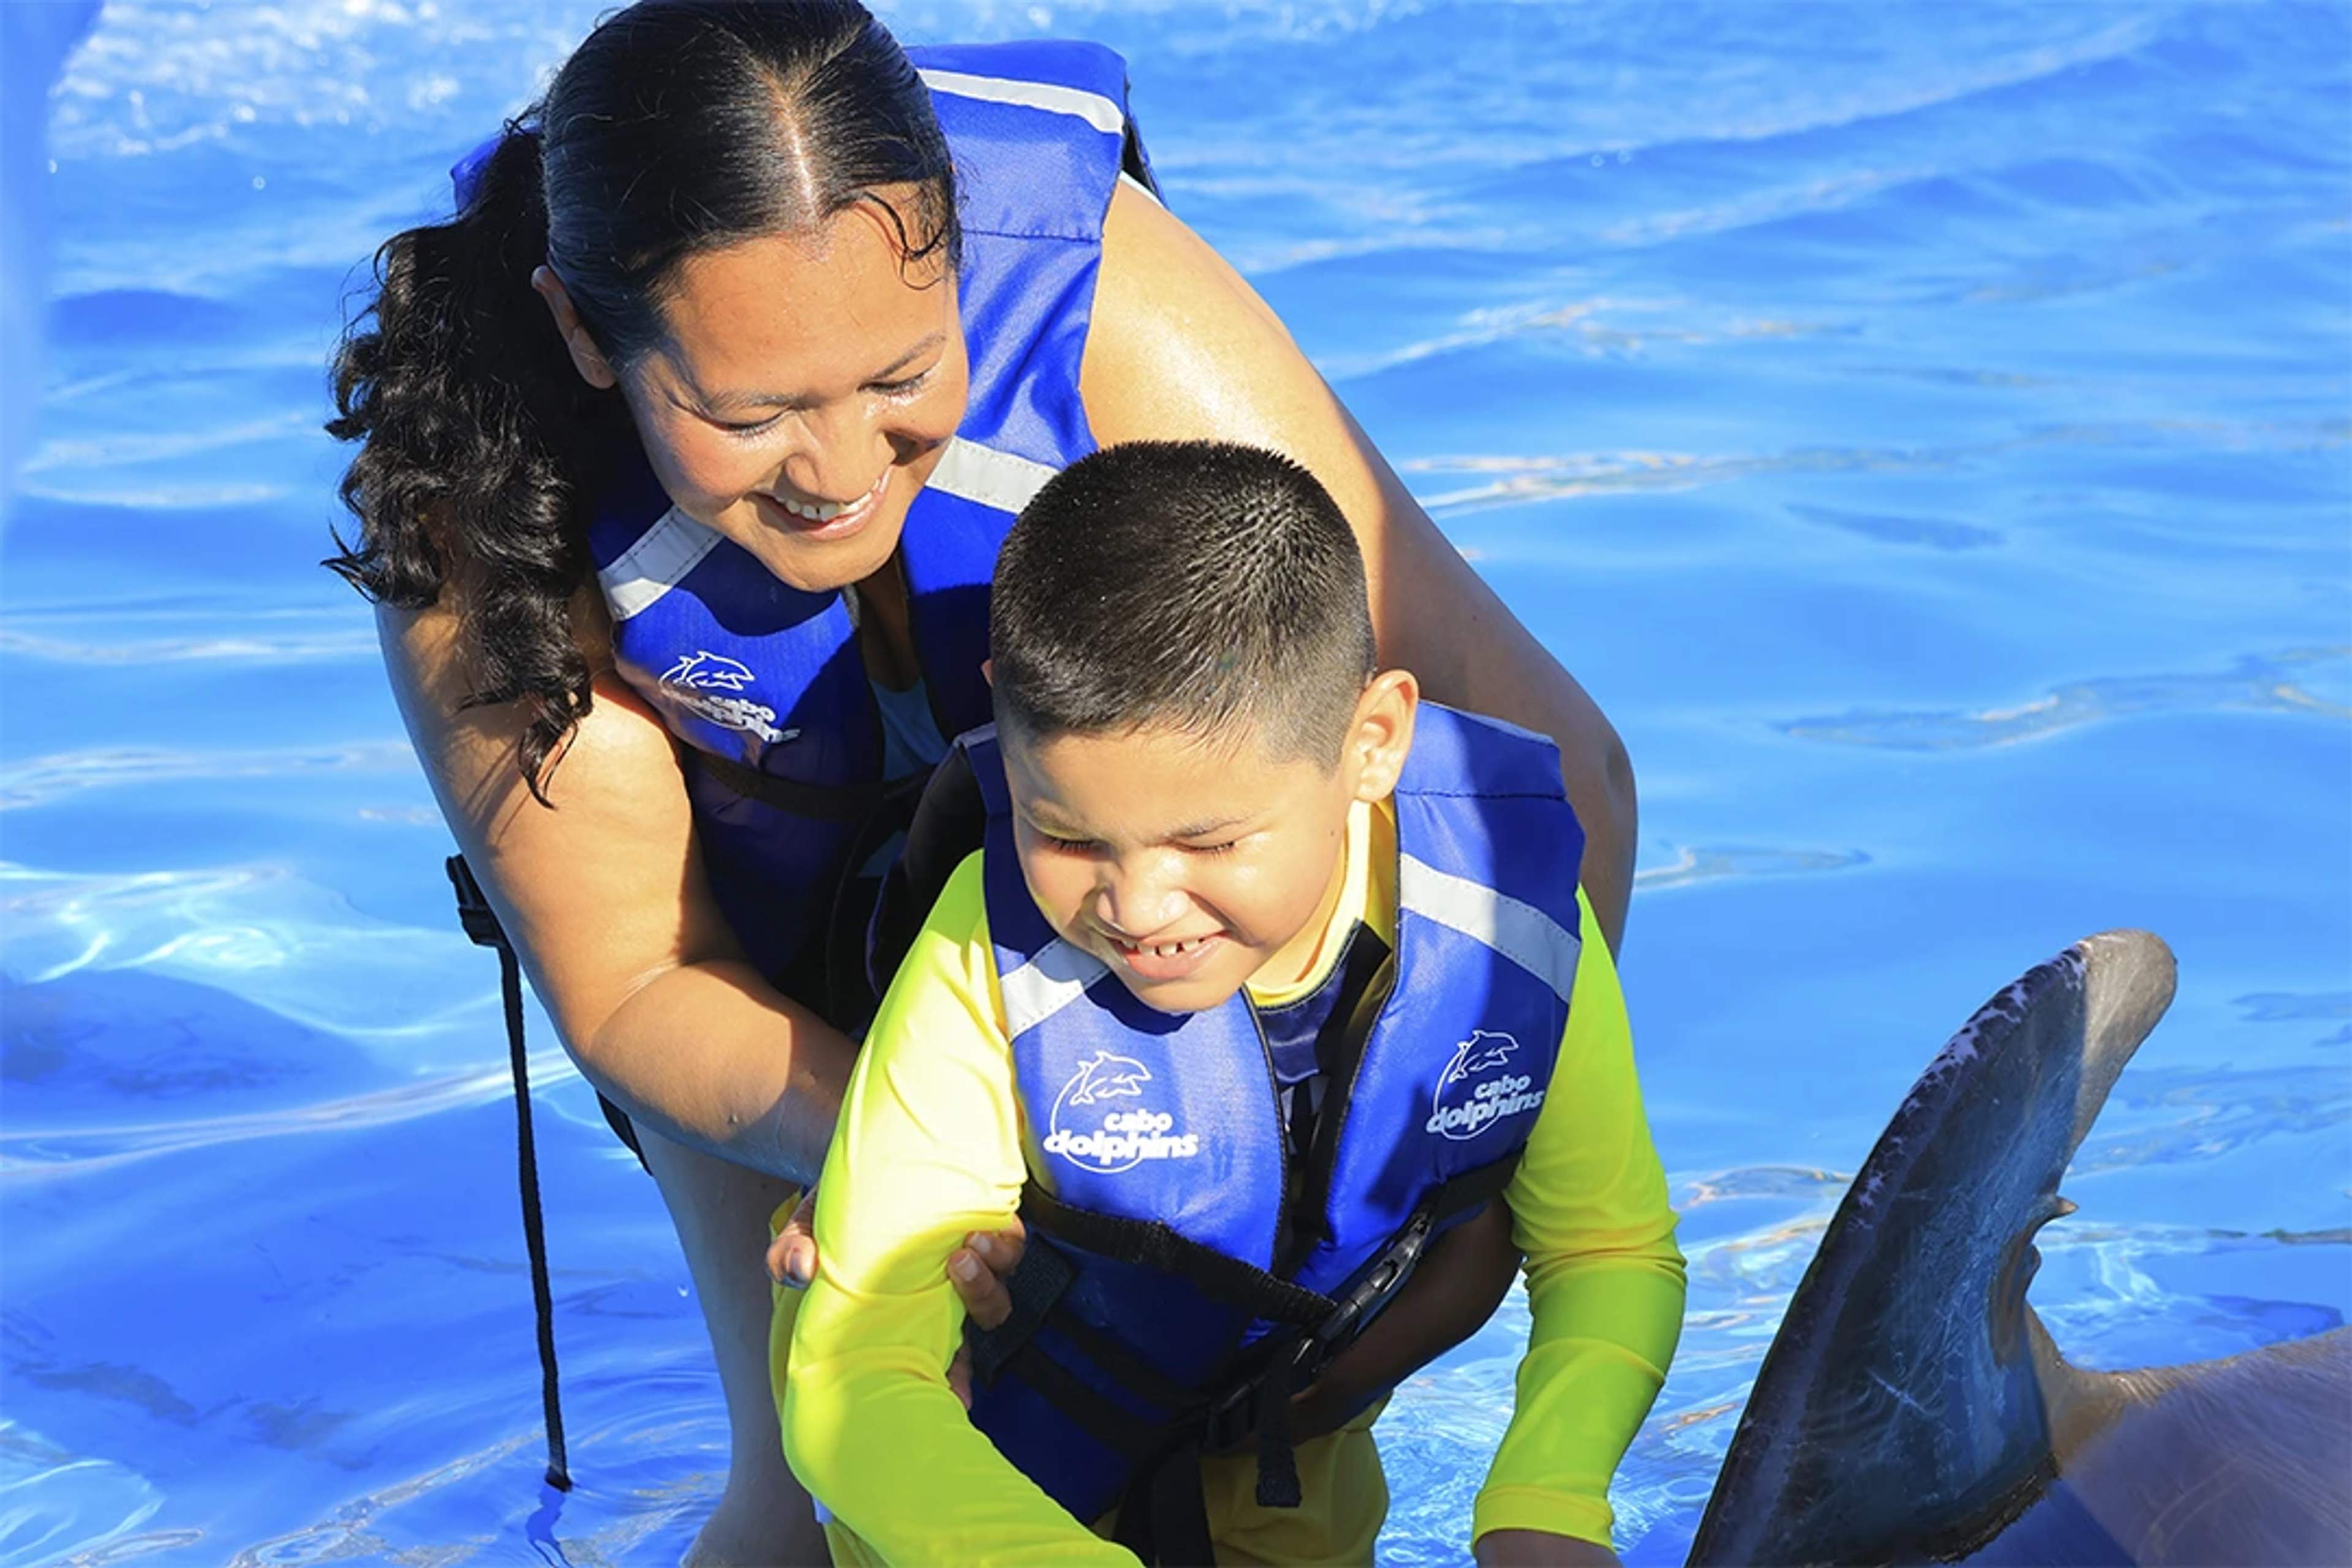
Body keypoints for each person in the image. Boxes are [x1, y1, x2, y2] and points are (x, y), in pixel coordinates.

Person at [328, 3, 1637, 1561]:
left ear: (956, 249)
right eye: (746, 415)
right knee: (805, 1495)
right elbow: (634, 983)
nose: (835, 468)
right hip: (755, 973)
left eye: (898, 373)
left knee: (1238, 1467)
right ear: (588, 332)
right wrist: (904, 1175)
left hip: (1167, 898)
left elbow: (1556, 779)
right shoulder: (486, 490)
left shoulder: (1101, 307)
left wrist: (1467, 1204)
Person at [783, 441, 1684, 1567]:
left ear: (1373, 743)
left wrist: (1547, 1500)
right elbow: (853, 1374)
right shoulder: (986, 951)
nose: (1137, 904)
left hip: (1286, 1468)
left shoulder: (1505, 920)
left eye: (1208, 841)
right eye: (1065, 834)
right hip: (982, 1494)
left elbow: (1610, 1253)